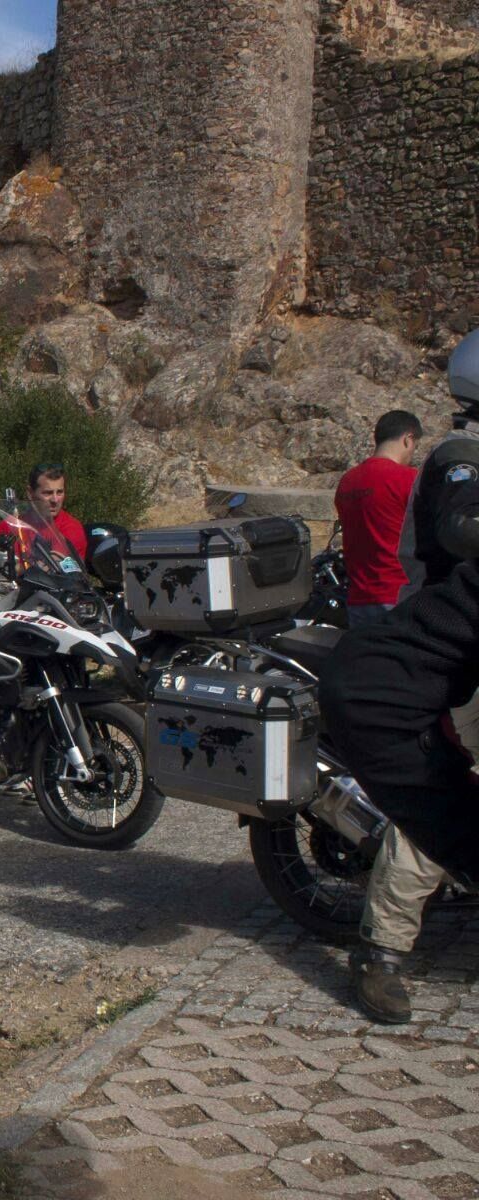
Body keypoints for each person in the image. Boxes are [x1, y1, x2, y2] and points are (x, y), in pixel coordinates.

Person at [337, 330, 479, 1023]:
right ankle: (383, 949)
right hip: (453, 660)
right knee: (441, 791)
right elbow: (457, 531)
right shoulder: (460, 459)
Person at [334, 410, 423, 628]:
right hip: (399, 594)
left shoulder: (347, 481)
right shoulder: (408, 479)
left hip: (359, 598)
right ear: (408, 439)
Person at [0, 463, 88, 568]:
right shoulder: (16, 521)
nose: (55, 500)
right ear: (30, 493)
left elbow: (48, 567)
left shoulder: (71, 527)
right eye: (48, 493)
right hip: (13, 592)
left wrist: (4, 569)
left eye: (60, 492)